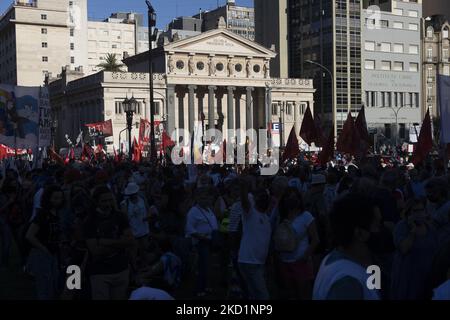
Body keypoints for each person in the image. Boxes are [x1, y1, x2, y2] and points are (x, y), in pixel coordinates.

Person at [313, 193, 382, 300]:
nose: (381, 230)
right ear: (359, 233)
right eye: (377, 225)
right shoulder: (347, 283)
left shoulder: (339, 258)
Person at [84, 186, 135, 300]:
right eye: (104, 201)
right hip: (100, 273)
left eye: (110, 200)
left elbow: (131, 241)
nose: (108, 204)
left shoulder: (120, 216)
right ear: (96, 202)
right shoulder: (90, 221)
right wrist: (120, 243)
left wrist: (104, 242)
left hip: (121, 269)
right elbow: (95, 251)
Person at [391, 199, 438, 300]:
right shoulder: (401, 227)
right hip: (407, 278)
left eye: (422, 210)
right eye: (415, 211)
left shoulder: (431, 228)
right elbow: (404, 248)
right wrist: (413, 231)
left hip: (426, 277)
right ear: (409, 213)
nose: (419, 213)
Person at [277, 188, 320, 299]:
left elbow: (315, 239)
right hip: (284, 261)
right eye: (288, 197)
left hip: (300, 262)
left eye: (294, 197)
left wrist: (305, 256)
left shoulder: (306, 216)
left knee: (303, 294)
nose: (291, 200)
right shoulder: (281, 216)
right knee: (289, 294)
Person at [25, 185, 65, 300]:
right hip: (42, 253)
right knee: (44, 286)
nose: (58, 201)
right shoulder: (43, 215)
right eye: (55, 198)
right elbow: (30, 235)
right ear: (48, 199)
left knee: (54, 282)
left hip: (53, 253)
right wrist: (43, 249)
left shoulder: (57, 214)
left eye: (60, 198)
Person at [238, 187, 272, 300]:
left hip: (259, 263)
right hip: (249, 262)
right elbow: (244, 202)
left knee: (254, 294)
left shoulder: (266, 218)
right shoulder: (251, 214)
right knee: (263, 296)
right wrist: (243, 187)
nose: (264, 201)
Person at [185, 186, 218, 297]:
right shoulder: (193, 211)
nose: (204, 200)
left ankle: (206, 286)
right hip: (201, 242)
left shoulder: (209, 209)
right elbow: (189, 229)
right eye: (202, 198)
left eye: (206, 197)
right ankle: (200, 288)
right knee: (202, 266)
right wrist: (201, 237)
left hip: (210, 241)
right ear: (197, 198)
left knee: (208, 266)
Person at [120, 182, 151, 269]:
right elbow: (124, 219)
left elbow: (148, 210)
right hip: (133, 232)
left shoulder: (142, 199)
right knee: (133, 252)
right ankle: (135, 269)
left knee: (144, 249)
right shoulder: (124, 203)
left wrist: (148, 217)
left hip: (144, 229)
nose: (133, 195)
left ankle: (145, 265)